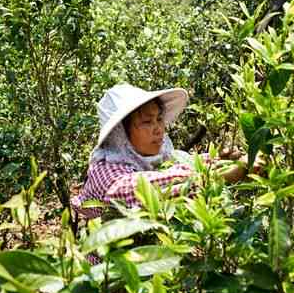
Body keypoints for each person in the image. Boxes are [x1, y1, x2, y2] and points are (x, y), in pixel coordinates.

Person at [71, 83, 246, 221]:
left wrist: (215, 160)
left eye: (159, 119)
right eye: (147, 122)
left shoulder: (153, 158)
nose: (158, 129)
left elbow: (179, 166)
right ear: (121, 134)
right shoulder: (105, 171)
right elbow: (129, 190)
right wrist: (214, 177)